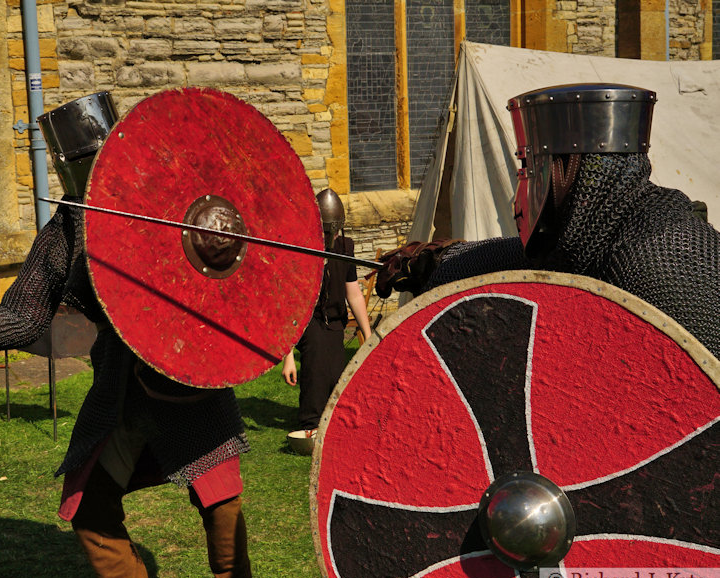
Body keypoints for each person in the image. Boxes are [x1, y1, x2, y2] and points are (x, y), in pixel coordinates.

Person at [0, 92, 258, 578]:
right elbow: (24, 314)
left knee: (220, 500)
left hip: (190, 375)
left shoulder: (178, 201)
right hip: (123, 388)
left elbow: (239, 276)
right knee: (94, 508)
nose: (89, 167)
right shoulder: (68, 230)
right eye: (78, 160)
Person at [375, 83, 720, 360]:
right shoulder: (600, 237)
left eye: (526, 168)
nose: (516, 196)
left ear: (567, 171)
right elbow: (526, 262)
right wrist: (434, 261)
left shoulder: (662, 254)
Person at [282, 189, 372, 444]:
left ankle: (333, 420)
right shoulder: (302, 249)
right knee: (316, 370)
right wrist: (288, 357)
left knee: (336, 376)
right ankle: (311, 424)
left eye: (333, 229)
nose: (330, 235)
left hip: (335, 321)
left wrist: (367, 333)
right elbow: (292, 305)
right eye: (326, 230)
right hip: (310, 321)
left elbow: (352, 292)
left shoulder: (345, 247)